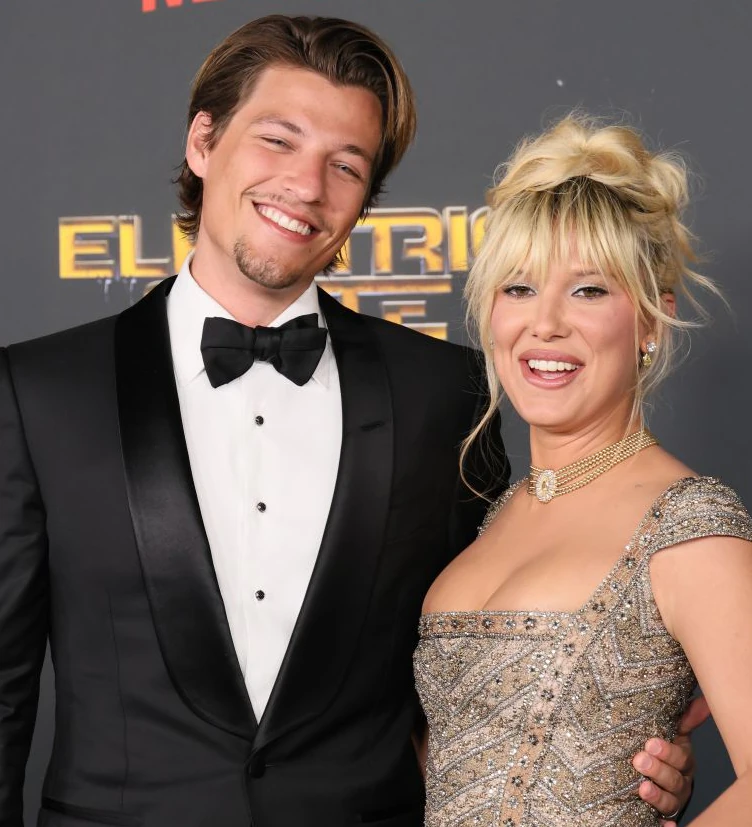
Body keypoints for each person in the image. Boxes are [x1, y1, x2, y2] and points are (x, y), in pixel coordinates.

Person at [0, 17, 694, 827]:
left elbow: (490, 657)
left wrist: (613, 761)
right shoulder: (40, 393)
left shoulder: (444, 393)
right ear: (203, 142)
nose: (306, 186)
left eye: (346, 165)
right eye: (278, 140)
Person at [415, 114, 752, 826]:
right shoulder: (491, 512)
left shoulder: (689, 524)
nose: (545, 323)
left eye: (589, 290)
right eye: (518, 288)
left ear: (652, 320)